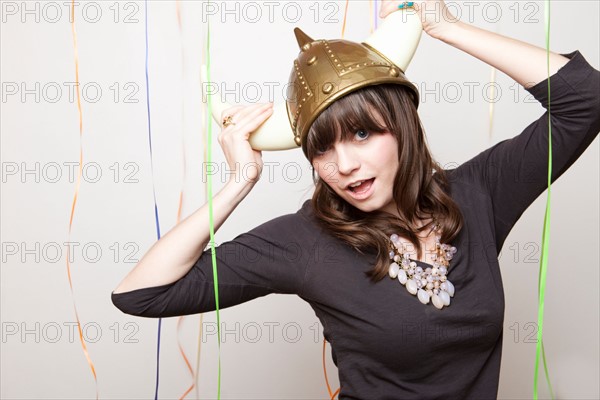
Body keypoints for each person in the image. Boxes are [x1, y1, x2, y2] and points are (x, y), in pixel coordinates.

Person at [111, 0, 600, 398]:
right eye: (321, 148)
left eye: (362, 133)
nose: (342, 165)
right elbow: (141, 294)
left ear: (402, 124)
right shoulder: (305, 240)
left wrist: (445, 26)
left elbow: (585, 100)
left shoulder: (478, 194)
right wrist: (240, 179)